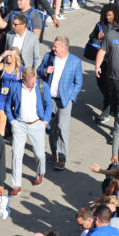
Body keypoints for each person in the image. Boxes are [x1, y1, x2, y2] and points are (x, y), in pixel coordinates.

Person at [38, 36, 83, 170]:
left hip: (64, 101)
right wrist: (45, 71)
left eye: (55, 47)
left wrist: (71, 98)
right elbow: (39, 70)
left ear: (64, 48)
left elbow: (78, 82)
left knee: (62, 128)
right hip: (49, 99)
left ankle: (62, 158)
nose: (53, 49)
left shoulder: (75, 62)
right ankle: (54, 153)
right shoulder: (49, 57)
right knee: (51, 128)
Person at [5, 67, 52, 195]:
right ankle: (16, 184)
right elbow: (7, 105)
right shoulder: (15, 87)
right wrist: (12, 122)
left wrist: (45, 122)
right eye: (31, 82)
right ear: (23, 80)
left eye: (35, 80)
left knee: (39, 154)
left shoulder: (42, 86)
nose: (34, 84)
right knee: (16, 154)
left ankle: (40, 173)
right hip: (19, 125)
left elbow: (49, 104)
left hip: (37, 124)